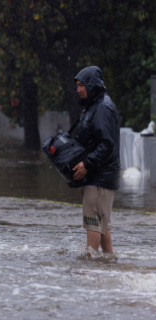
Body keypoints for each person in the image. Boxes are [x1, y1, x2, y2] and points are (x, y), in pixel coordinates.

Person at [71, 66, 120, 256]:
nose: (78, 89)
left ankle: (89, 276)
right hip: (101, 179)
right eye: (77, 85)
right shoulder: (95, 105)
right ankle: (109, 269)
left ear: (91, 85)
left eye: (81, 85)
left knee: (93, 229)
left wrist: (86, 164)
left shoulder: (101, 108)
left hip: (99, 179)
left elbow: (107, 144)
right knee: (103, 228)